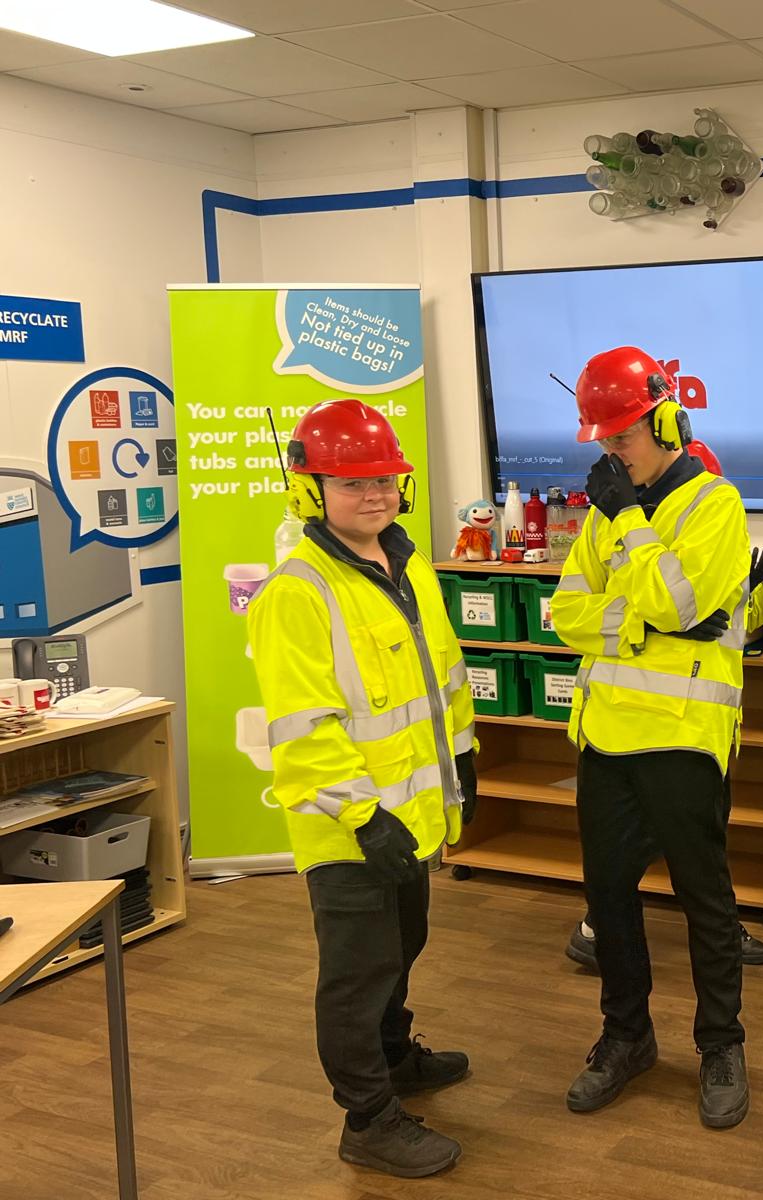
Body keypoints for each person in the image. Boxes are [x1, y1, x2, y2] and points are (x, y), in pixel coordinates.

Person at [248, 399, 477, 1179]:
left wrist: (464, 755)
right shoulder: (297, 591)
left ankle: (394, 1056)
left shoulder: (408, 564)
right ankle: (368, 1120)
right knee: (357, 976)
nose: (375, 494)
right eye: (353, 482)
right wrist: (363, 816)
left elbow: (442, 676)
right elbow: (305, 727)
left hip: (410, 816)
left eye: (385, 479)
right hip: (349, 829)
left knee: (402, 948)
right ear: (310, 490)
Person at [551, 346, 753, 1129]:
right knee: (608, 897)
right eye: (603, 439)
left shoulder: (714, 506)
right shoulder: (605, 514)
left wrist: (632, 534)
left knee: (705, 901)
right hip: (606, 735)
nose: (612, 453)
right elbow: (568, 615)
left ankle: (721, 1045)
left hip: (683, 735)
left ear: (667, 423)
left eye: (624, 436)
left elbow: (680, 603)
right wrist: (642, 627)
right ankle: (626, 1036)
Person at [565, 536, 763, 972]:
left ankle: (600, 927)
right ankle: (603, 928)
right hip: (648, 729)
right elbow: (584, 617)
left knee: (687, 846)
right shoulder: (644, 554)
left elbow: (733, 623)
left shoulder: (713, 547)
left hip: (699, 730)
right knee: (666, 850)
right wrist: (656, 625)